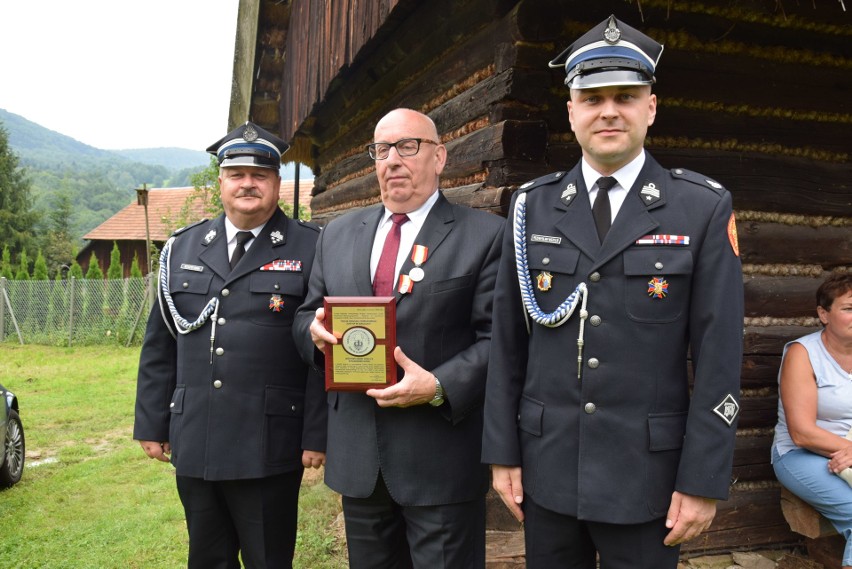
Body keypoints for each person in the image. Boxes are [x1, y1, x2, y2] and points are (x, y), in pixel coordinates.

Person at [481, 15, 744, 569]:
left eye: (626, 96)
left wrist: (703, 479)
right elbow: (507, 342)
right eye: (592, 96)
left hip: (648, 478)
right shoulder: (531, 206)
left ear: (650, 107)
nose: (609, 110)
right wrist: (503, 453)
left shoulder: (700, 207)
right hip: (547, 467)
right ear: (571, 111)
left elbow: (720, 355)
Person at [293, 108, 503, 568]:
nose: (393, 160)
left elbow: (499, 342)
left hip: (440, 463)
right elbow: (306, 314)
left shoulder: (485, 235)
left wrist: (440, 385)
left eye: (408, 146)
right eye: (382, 149)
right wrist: (312, 332)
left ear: (440, 156)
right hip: (359, 460)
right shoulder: (338, 234)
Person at [133, 121, 326, 569]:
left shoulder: (312, 247)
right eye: (236, 174)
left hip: (269, 441)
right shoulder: (182, 248)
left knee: (268, 559)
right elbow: (160, 344)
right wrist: (151, 421)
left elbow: (321, 352)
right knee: (206, 557)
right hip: (196, 437)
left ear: (276, 183)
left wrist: (318, 434)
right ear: (220, 181)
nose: (248, 184)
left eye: (260, 175)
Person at [772, 272, 852, 569]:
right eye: (849, 308)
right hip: (802, 455)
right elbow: (802, 433)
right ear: (823, 313)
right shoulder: (803, 353)